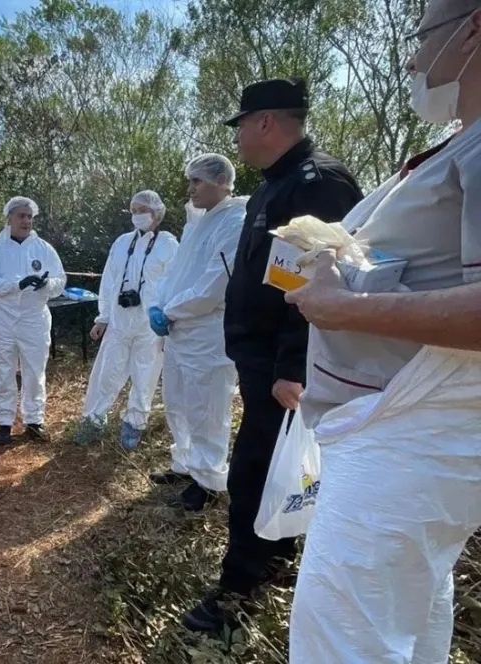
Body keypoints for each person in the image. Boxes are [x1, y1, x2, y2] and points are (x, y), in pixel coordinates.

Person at [286, 2, 481, 660]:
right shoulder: (462, 143)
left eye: (421, 37)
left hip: (411, 440)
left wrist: (341, 309)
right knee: (409, 614)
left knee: (339, 640)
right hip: (402, 433)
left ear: (473, 28)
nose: (410, 58)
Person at [181, 77, 363, 632]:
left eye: (240, 125)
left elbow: (321, 286)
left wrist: (291, 366)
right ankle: (274, 562)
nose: (237, 138)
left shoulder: (317, 184)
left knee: (256, 474)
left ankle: (238, 593)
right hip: (262, 361)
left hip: (288, 370)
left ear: (264, 122)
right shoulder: (272, 187)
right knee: (272, 471)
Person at [149, 155, 247, 512]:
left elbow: (214, 286)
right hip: (179, 331)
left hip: (207, 333)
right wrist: (158, 304)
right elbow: (176, 272)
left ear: (222, 181)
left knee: (207, 408)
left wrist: (170, 310)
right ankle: (184, 464)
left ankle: (207, 482)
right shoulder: (199, 222)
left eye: (197, 181)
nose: (190, 188)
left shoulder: (235, 221)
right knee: (177, 402)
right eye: (190, 181)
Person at [74, 190, 178, 450]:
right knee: (107, 371)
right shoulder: (121, 243)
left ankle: (135, 423)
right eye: (133, 211)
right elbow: (109, 282)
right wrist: (103, 317)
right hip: (120, 321)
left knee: (145, 376)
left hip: (150, 325)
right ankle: (94, 419)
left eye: (142, 210)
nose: (137, 216)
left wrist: (168, 320)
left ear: (156, 213)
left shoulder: (169, 245)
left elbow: (174, 284)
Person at [0, 197, 66, 444]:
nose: (26, 221)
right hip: (2, 321)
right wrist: (17, 285)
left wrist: (46, 284)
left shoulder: (44, 249)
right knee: (3, 369)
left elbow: (60, 281)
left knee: (34, 371)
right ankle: (4, 422)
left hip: (34, 319)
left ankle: (34, 420)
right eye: (21, 216)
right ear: (9, 218)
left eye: (29, 217)